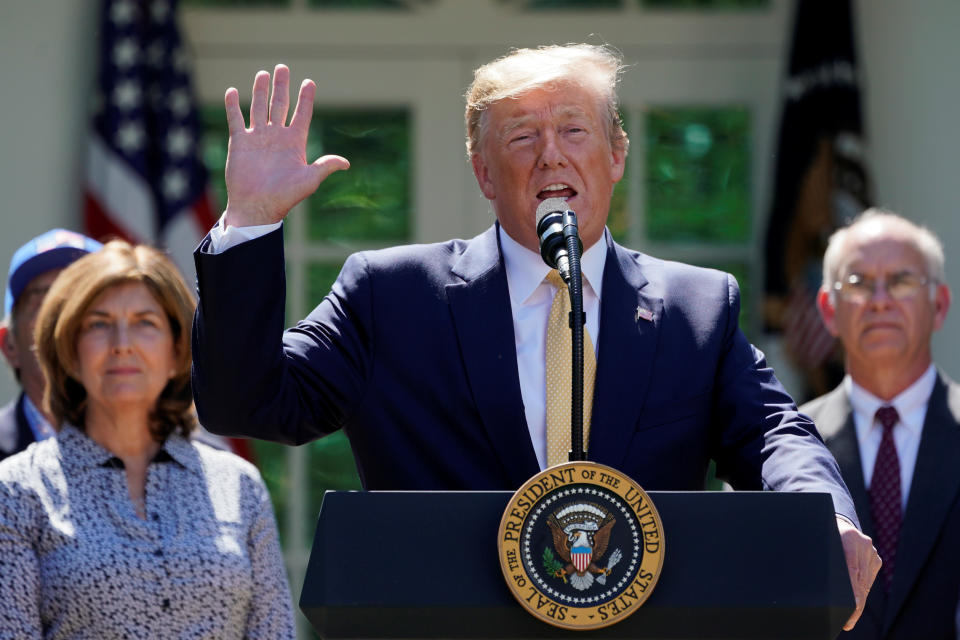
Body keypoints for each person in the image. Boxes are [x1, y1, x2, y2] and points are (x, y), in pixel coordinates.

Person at [191, 45, 879, 628]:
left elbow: (771, 435)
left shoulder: (693, 307)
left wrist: (825, 516)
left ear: (616, 155)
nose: (551, 156)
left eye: (574, 131)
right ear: (485, 173)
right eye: (522, 136)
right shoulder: (390, 294)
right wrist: (250, 220)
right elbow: (247, 404)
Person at [0, 240, 295, 638]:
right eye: (99, 324)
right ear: (70, 350)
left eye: (145, 322)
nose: (123, 343)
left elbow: (274, 631)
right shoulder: (17, 490)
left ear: (177, 350)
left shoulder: (239, 484)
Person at [801, 209, 960, 639]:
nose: (880, 299)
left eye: (903, 280)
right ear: (829, 310)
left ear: (939, 304)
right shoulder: (782, 446)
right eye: (858, 283)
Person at [1, 229, 102, 463]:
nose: (67, 318)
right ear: (10, 345)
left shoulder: (187, 459)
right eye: (45, 301)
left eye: (85, 299)